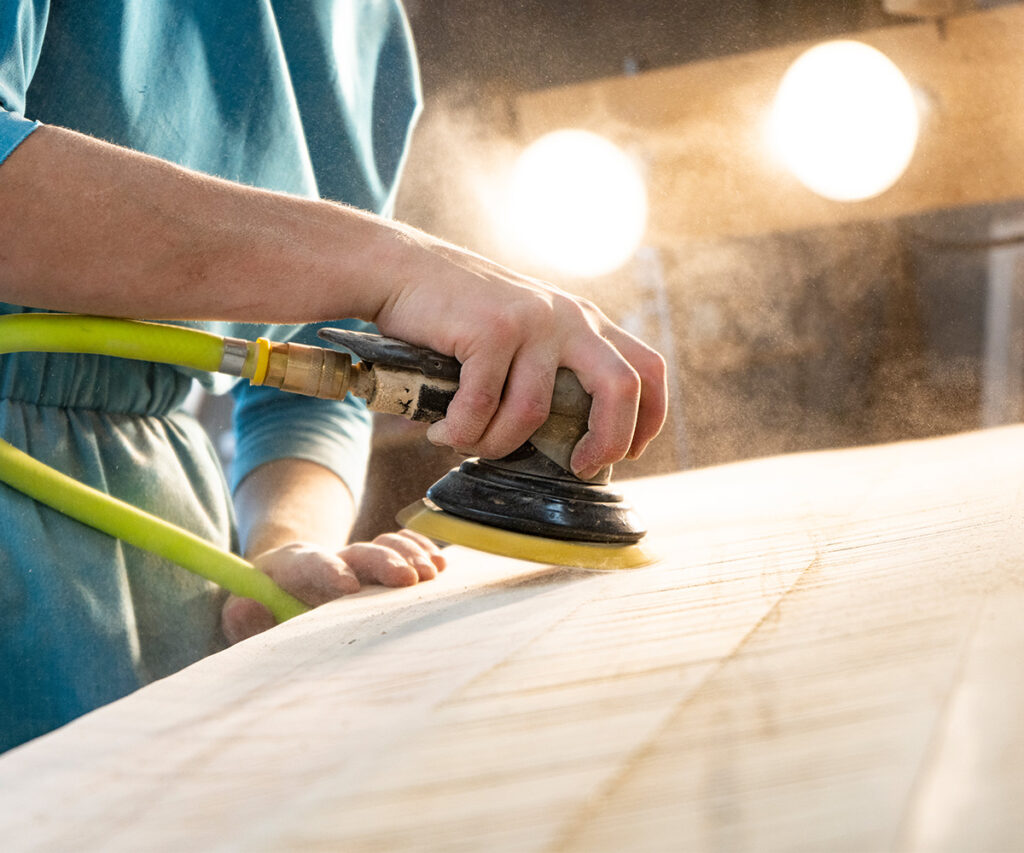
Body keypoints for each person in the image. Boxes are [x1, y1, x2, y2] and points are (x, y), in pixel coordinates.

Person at [0, 1, 667, 753]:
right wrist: (394, 265)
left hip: (164, 548)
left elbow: (321, 360)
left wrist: (283, 545)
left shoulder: (361, 26)